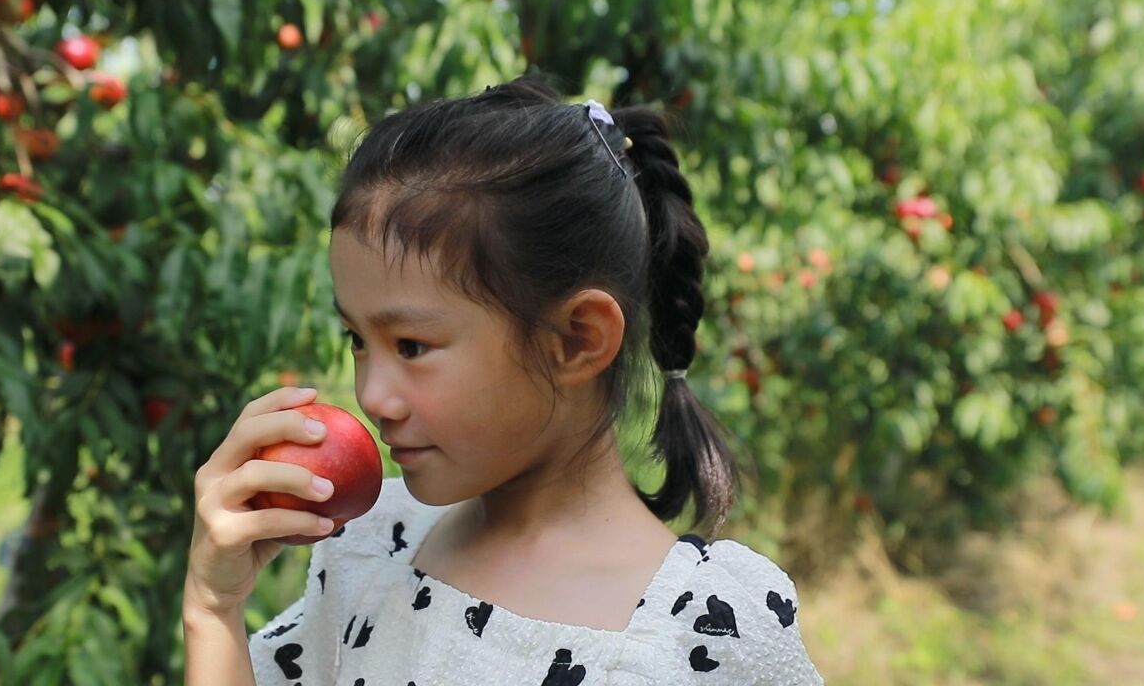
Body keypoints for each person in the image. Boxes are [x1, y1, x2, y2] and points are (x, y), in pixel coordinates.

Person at [183, 73, 824, 685]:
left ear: (578, 339)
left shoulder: (703, 637)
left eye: (411, 344)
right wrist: (213, 611)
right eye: (357, 339)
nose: (371, 396)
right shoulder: (377, 548)